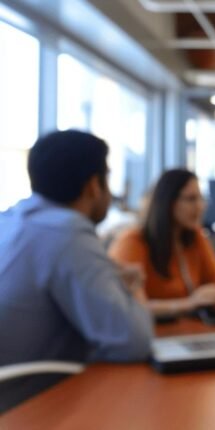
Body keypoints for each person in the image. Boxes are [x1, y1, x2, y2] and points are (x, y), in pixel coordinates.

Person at [0, 130, 153, 411]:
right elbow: (134, 343)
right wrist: (133, 288)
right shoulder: (67, 233)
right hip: (24, 406)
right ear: (94, 185)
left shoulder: (11, 221)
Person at [109, 169, 215, 317]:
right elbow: (127, 306)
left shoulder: (195, 238)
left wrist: (207, 295)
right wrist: (189, 303)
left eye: (202, 199)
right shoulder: (132, 241)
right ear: (167, 201)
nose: (200, 207)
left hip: (186, 331)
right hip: (150, 334)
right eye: (191, 199)